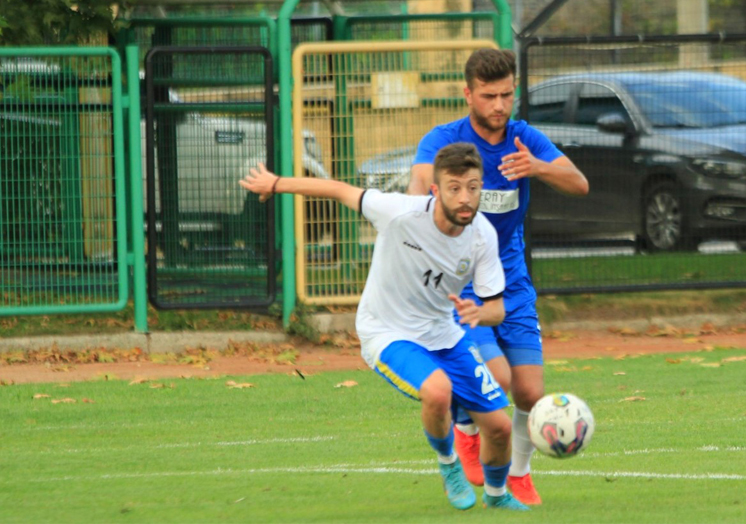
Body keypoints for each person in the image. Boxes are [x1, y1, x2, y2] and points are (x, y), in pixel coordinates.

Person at [240, 143, 528, 512]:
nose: (465, 198)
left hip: (445, 333)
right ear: (435, 190)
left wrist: (479, 314)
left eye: (472, 188)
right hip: (387, 332)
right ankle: (449, 465)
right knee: (438, 391)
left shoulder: (482, 235)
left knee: (500, 427)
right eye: (454, 188)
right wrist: (275, 183)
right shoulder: (399, 212)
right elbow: (339, 190)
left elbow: (497, 310)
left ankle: (497, 496)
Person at [407, 48, 589, 505]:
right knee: (496, 376)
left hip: (512, 283)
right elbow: (419, 185)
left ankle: (519, 475)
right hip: (461, 285)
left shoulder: (524, 139)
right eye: (489, 96)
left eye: (507, 95)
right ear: (468, 94)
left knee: (530, 391)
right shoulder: (445, 140)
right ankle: (466, 429)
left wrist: (537, 167)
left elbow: (579, 183)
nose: (500, 105)